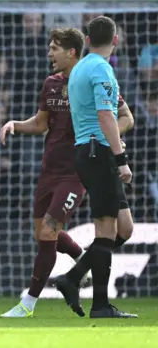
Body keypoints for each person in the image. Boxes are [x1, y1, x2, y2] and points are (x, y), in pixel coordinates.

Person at [0, 28, 136, 318]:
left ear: (72, 51)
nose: (49, 53)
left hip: (81, 167)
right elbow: (41, 123)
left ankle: (28, 304)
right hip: (51, 167)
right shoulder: (51, 84)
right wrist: (15, 124)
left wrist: (110, 138)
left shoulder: (90, 77)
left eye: (54, 48)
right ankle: (81, 265)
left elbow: (122, 116)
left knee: (50, 231)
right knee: (43, 232)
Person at [56, 16, 137, 318]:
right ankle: (100, 305)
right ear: (115, 41)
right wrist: (121, 159)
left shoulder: (79, 69)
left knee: (123, 228)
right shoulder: (102, 69)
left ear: (87, 40)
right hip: (97, 152)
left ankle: (72, 278)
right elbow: (106, 116)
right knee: (106, 230)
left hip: (87, 150)